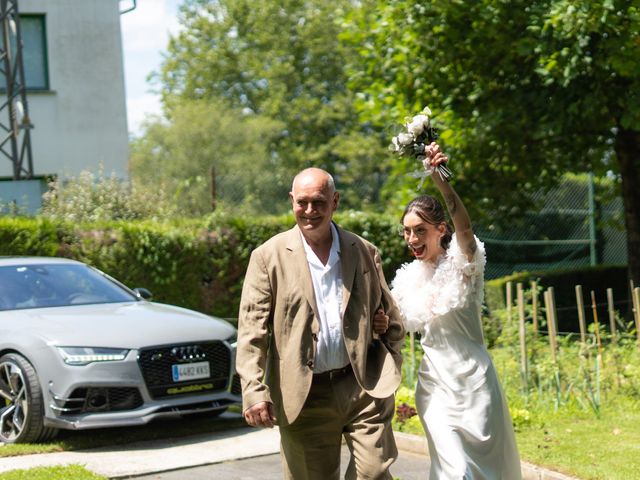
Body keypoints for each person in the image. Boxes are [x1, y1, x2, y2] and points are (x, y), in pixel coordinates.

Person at [236, 167, 405, 480]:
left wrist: (388, 355)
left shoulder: (364, 251)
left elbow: (391, 317)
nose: (310, 211)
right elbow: (252, 331)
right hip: (303, 395)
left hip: (362, 387)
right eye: (302, 203)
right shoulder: (267, 257)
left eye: (319, 202)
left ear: (335, 201)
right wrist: (254, 391)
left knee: (373, 473)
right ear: (291, 201)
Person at [390, 143, 522, 479]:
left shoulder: (465, 265)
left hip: (475, 386)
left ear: (441, 230)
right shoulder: (406, 281)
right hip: (434, 386)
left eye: (420, 230)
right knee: (455, 470)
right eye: (407, 231)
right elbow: (392, 326)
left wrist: (441, 181)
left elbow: (464, 226)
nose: (412, 238)